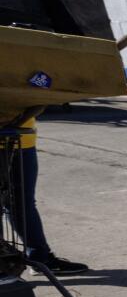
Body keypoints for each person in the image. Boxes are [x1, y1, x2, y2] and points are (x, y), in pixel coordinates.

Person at [4, 112, 89, 275]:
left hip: (21, 138)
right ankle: (10, 266)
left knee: (21, 203)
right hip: (12, 139)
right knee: (18, 203)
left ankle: (39, 259)